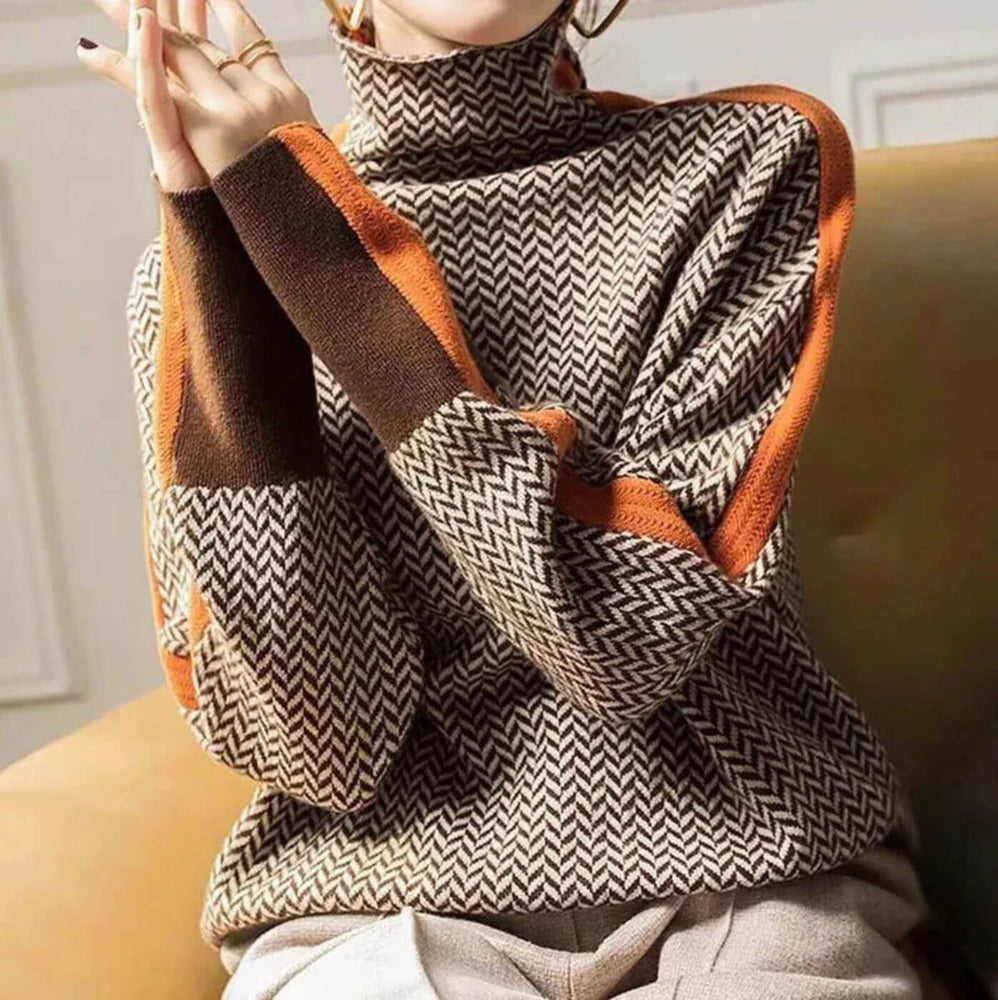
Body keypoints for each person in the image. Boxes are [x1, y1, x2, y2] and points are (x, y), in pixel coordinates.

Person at [77, 0, 932, 996]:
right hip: (373, 910)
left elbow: (621, 644)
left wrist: (315, 243)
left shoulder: (748, 165)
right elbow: (325, 751)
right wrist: (236, 251)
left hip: (748, 879)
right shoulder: (190, 273)